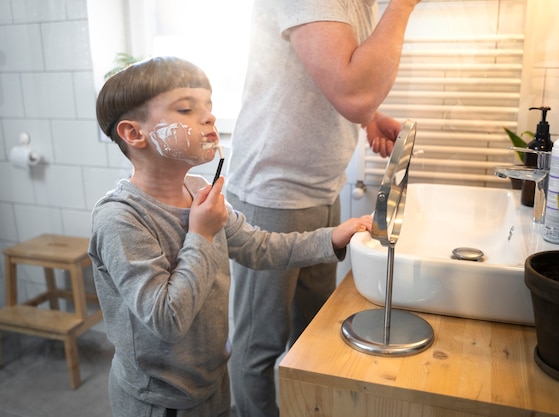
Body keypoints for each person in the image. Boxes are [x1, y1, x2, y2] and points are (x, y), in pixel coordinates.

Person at [89, 56, 372, 417]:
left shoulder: (197, 191)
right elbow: (166, 319)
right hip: (158, 401)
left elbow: (260, 248)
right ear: (133, 133)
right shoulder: (120, 218)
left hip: (212, 383)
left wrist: (334, 237)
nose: (208, 117)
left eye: (208, 106)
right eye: (186, 109)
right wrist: (201, 234)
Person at [226, 1, 422, 416]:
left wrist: (369, 118)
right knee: (260, 346)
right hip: (274, 195)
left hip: (319, 191)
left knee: (313, 332)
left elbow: (327, 74)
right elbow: (354, 91)